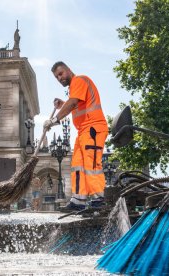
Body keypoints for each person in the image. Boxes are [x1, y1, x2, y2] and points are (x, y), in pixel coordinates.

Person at [44, 61, 108, 211]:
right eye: (56, 77)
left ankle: (99, 199)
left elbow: (73, 103)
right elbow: (76, 103)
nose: (59, 78)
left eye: (61, 73)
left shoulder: (79, 80)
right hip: (83, 131)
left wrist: (54, 119)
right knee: (78, 165)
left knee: (91, 164)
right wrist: (63, 103)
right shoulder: (75, 88)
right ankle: (78, 200)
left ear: (69, 70)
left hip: (93, 127)